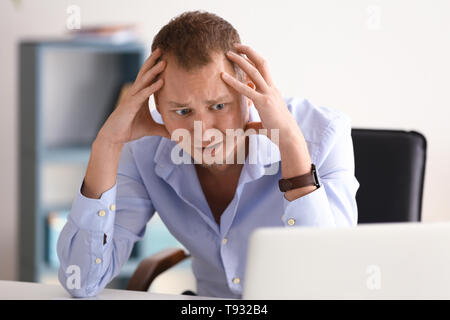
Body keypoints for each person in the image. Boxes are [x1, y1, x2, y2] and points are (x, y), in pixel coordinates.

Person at [57, 10, 359, 299]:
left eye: (219, 106)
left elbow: (329, 286)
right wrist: (107, 144)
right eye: (183, 111)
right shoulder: (143, 150)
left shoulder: (323, 134)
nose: (202, 130)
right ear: (158, 108)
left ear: (248, 90)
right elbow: (81, 281)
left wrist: (292, 146)